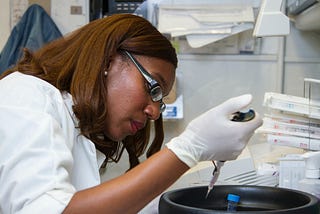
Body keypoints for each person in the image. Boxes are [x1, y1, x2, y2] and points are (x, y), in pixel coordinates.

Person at [0, 14, 263, 213]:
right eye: (154, 88)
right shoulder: (25, 96)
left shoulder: (78, 128)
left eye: (160, 100)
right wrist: (189, 148)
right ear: (108, 60)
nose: (153, 112)